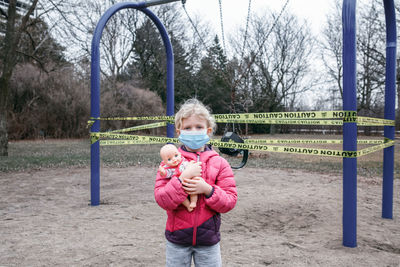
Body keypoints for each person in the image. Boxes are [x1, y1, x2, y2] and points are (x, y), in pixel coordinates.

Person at [154, 99, 237, 267]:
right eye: (187, 128)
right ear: (179, 132)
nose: (193, 131)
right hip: (177, 239)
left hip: (208, 241)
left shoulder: (220, 163)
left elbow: (230, 201)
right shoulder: (168, 164)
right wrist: (182, 179)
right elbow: (162, 199)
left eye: (198, 127)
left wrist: (208, 190)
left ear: (208, 130)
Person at [158, 144, 197, 212]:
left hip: (189, 182)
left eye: (176, 156)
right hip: (179, 185)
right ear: (164, 162)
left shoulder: (183, 162)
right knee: (180, 197)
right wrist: (163, 173)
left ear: (179, 154)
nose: (174, 159)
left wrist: (191, 164)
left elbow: (189, 166)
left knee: (193, 190)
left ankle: (193, 202)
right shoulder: (170, 168)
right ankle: (188, 205)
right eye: (169, 159)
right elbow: (168, 174)